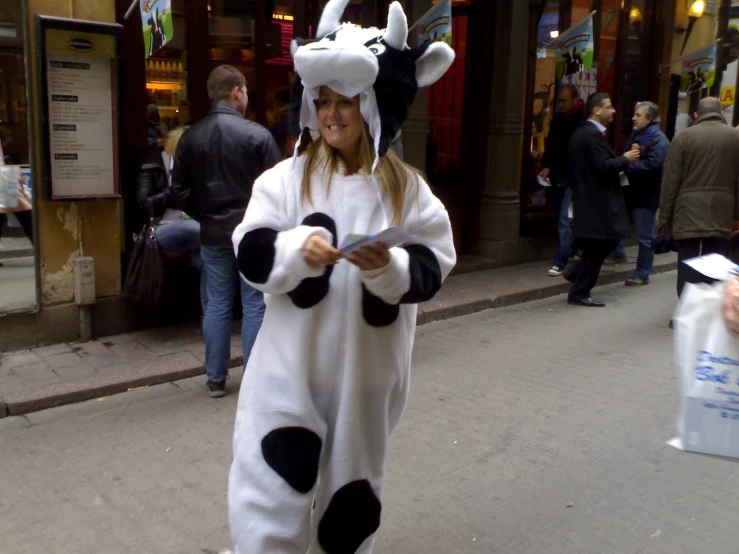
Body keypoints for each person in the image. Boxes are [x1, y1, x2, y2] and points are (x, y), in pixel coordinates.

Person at [227, 1, 456, 552]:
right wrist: (295, 250)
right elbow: (250, 250)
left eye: (346, 101)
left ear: (373, 106)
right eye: (324, 101)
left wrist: (390, 269)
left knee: (349, 510)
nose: (333, 114)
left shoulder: (408, 191)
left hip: (366, 380)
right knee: (270, 495)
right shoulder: (284, 180)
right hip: (288, 375)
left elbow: (435, 264)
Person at [170, 65, 282, 398]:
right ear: (236, 91)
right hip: (251, 233)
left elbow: (179, 191)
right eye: (245, 91)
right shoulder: (257, 135)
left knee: (216, 304)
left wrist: (205, 215)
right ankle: (254, 376)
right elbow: (277, 187)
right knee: (254, 305)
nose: (247, 97)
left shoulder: (191, 137)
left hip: (213, 234)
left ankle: (216, 378)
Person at [659, 96, 739, 307]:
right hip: (722, 211)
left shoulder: (683, 137)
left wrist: (664, 218)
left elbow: (670, 181)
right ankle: (714, 311)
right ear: (721, 113)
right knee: (718, 262)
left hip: (687, 211)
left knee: (687, 262)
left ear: (697, 114)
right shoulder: (735, 137)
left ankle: (687, 310)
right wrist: (736, 216)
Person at [566, 92, 640, 307]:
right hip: (596, 202)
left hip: (589, 199)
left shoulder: (584, 134)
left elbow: (594, 167)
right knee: (602, 244)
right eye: (609, 107)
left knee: (598, 245)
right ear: (597, 110)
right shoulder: (590, 135)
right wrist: (624, 159)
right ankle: (580, 289)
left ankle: (577, 275)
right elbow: (600, 166)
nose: (613, 111)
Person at [137, 125, 206, 313]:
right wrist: (174, 192)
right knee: (201, 232)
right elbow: (144, 204)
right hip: (161, 227)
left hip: (188, 224)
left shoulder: (194, 167)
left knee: (206, 259)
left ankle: (211, 312)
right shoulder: (153, 164)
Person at [619, 101, 670, 286]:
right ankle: (617, 255)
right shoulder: (638, 134)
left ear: (648, 119)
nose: (634, 118)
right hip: (630, 191)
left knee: (644, 236)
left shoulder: (659, 140)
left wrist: (629, 167)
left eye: (638, 115)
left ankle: (642, 273)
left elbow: (654, 166)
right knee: (615, 223)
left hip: (645, 195)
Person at [539, 83, 584, 277]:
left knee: (565, 220)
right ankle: (572, 252)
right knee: (562, 218)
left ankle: (561, 261)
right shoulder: (558, 119)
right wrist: (546, 165)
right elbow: (552, 145)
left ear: (574, 100)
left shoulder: (582, 121)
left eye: (564, 100)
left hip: (572, 177)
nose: (561, 104)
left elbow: (572, 151)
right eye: (559, 100)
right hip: (558, 176)